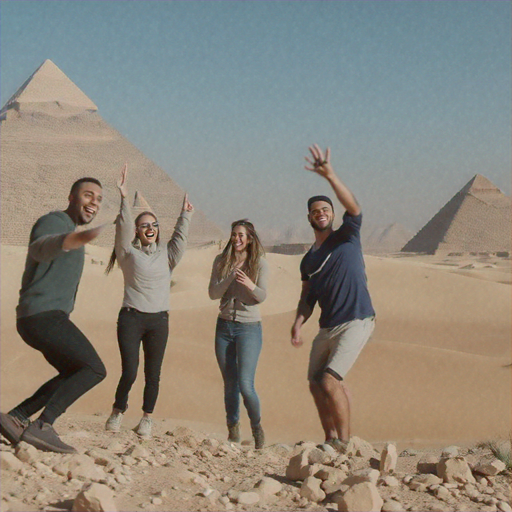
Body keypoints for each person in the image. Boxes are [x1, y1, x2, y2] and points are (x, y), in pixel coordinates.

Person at [0, 178, 107, 454]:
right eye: (88, 195)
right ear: (72, 197)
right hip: (43, 315)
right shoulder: (54, 222)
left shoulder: (69, 229)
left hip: (39, 317)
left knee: (74, 370)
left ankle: (17, 417)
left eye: (99, 199)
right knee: (94, 369)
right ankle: (43, 426)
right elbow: (42, 245)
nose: (94, 202)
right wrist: (71, 240)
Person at [290, 144, 375, 451]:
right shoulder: (308, 261)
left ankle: (345, 444)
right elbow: (307, 298)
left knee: (329, 380)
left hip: (356, 319)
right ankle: (329, 439)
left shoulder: (347, 235)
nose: (321, 214)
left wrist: (330, 176)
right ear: (309, 218)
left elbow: (354, 207)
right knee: (315, 384)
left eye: (326, 210)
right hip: (327, 327)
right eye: (316, 211)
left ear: (333, 214)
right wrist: (298, 323)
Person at [104, 164, 194, 438]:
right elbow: (122, 229)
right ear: (137, 231)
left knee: (153, 375)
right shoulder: (127, 253)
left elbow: (180, 238)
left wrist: (185, 215)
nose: (150, 228)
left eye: (154, 225)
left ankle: (146, 419)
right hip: (131, 318)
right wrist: (123, 197)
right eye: (144, 226)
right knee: (130, 371)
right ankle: (117, 412)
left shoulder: (167, 255)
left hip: (159, 320)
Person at [208, 220, 268, 449]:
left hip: (248, 328)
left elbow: (262, 296)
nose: (237, 239)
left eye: (241, 235)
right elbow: (213, 293)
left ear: (250, 238)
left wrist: (249, 284)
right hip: (223, 327)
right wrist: (229, 278)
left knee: (245, 384)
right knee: (229, 384)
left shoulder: (260, 264)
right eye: (234, 235)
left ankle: (257, 428)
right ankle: (233, 432)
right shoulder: (221, 261)